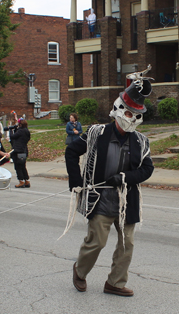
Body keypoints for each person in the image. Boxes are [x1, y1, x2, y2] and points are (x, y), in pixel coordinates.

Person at [65, 76, 154, 296]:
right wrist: (77, 182)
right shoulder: (97, 133)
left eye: (136, 115)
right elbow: (71, 151)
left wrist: (125, 177)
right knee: (97, 242)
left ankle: (115, 282)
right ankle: (80, 271)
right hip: (100, 198)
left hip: (126, 200)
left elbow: (147, 169)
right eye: (128, 113)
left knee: (127, 244)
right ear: (118, 110)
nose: (131, 118)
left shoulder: (141, 141)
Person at [10, 118, 31, 188]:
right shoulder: (27, 131)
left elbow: (12, 137)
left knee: (18, 167)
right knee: (23, 166)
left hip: (17, 151)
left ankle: (21, 181)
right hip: (24, 150)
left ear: (20, 124)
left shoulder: (20, 131)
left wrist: (11, 130)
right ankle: (27, 181)